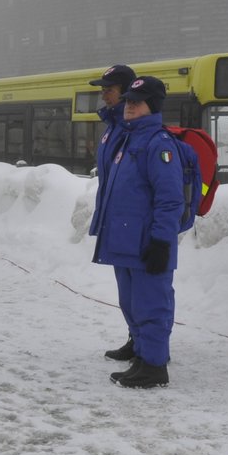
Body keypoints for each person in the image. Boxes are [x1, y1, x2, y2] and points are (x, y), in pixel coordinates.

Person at [89, 76, 182, 388]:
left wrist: (161, 242)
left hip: (146, 242)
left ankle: (155, 366)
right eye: (127, 100)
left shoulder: (159, 144)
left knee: (151, 303)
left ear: (151, 106)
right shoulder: (130, 139)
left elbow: (170, 200)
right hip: (125, 240)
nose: (128, 106)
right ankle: (143, 357)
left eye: (136, 102)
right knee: (131, 303)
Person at [88, 63, 138, 359]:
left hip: (133, 223)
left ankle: (151, 349)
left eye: (109, 90)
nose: (104, 96)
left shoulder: (134, 129)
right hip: (117, 221)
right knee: (127, 292)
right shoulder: (113, 127)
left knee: (144, 292)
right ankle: (137, 339)